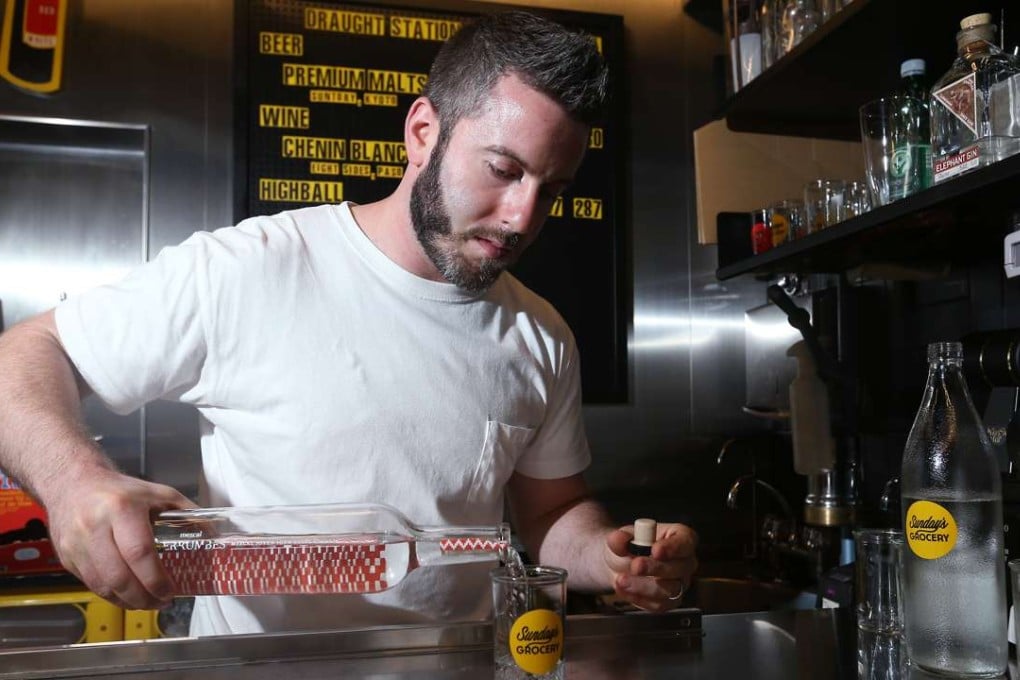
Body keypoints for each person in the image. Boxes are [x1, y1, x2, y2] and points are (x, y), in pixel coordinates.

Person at [0, 10, 697, 635]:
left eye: (551, 191)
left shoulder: (541, 335)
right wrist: (73, 483)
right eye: (503, 169)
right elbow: (24, 357)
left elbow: (549, 516)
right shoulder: (251, 270)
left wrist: (613, 562)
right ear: (423, 132)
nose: (522, 217)